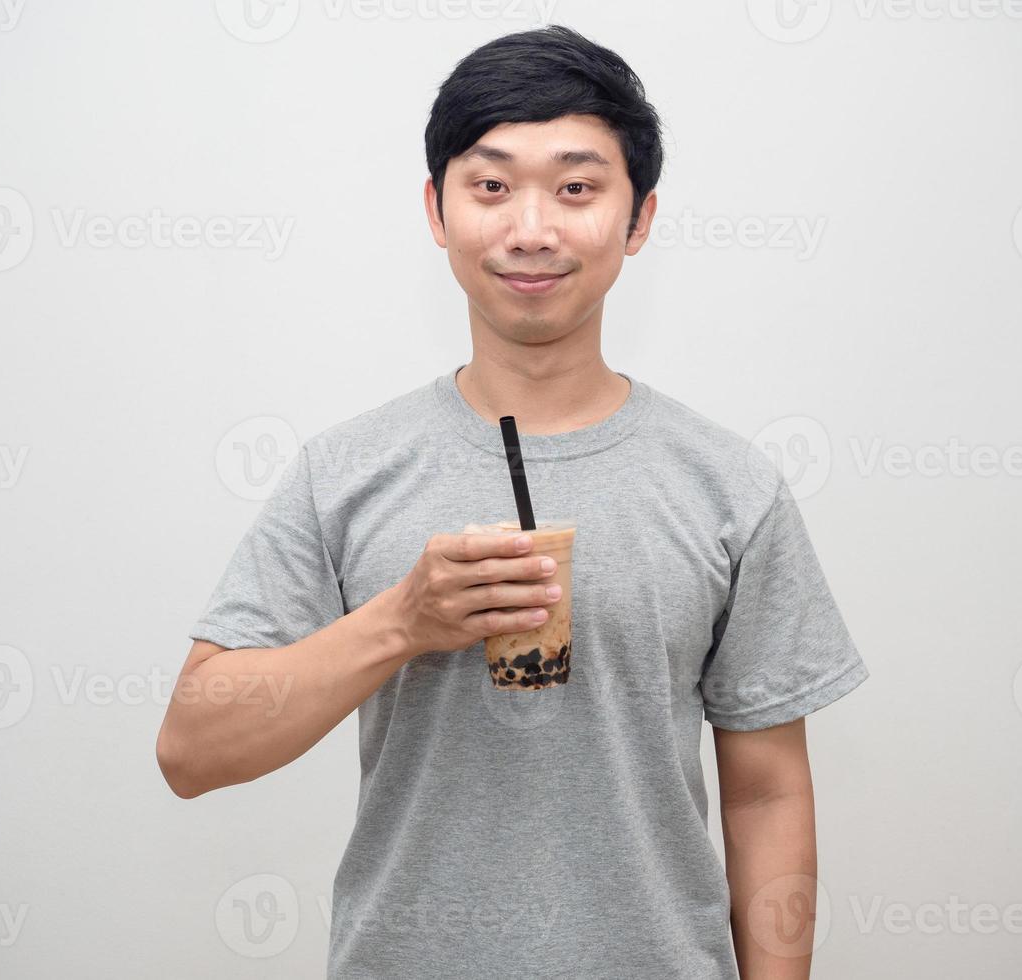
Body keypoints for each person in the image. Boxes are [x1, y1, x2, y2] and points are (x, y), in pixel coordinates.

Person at [156, 24, 868, 980]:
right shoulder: (344, 470)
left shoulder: (729, 485)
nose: (530, 228)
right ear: (437, 210)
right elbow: (193, 750)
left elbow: (768, 792)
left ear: (639, 217)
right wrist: (401, 622)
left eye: (577, 188)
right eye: (490, 186)